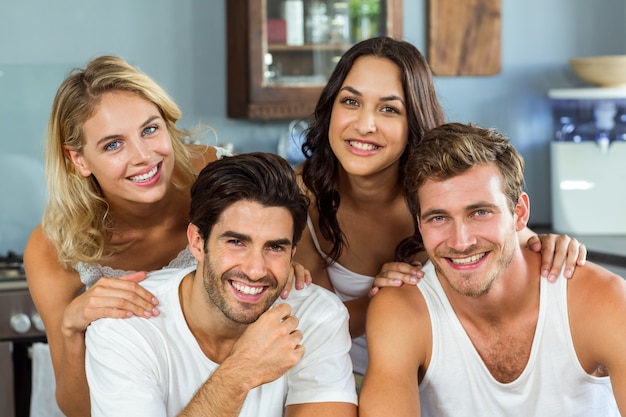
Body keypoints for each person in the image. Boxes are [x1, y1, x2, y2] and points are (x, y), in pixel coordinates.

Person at [23, 56, 310, 416]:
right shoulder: (53, 248)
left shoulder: (215, 176)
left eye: (149, 129)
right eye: (113, 144)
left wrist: (273, 262)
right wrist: (71, 328)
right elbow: (77, 409)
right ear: (78, 160)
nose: (143, 156)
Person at [293, 36, 587, 376]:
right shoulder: (302, 197)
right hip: (342, 376)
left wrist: (553, 246)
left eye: (389, 108)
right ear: (331, 107)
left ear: (413, 121)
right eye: (350, 102)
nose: (364, 124)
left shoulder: (440, 188)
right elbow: (322, 328)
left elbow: (512, 238)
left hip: (442, 375)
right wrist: (382, 295)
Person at [359, 122, 626, 416]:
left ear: (519, 214)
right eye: (438, 218)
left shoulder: (601, 300)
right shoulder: (403, 312)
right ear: (420, 224)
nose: (461, 242)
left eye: (480, 212)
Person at [84, 152, 357, 416]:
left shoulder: (317, 316)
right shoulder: (124, 327)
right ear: (197, 242)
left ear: (292, 253)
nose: (255, 270)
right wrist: (240, 372)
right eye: (236, 242)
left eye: (275, 247)